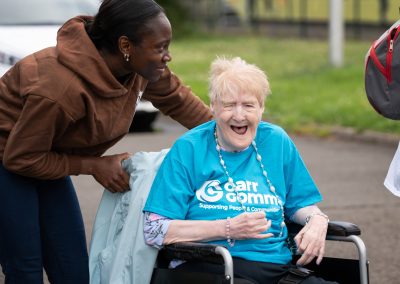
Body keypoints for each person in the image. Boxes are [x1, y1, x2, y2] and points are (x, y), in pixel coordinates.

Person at [0, 0, 212, 283]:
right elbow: (20, 158)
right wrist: (94, 165)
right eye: (159, 48)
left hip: (46, 155)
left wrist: (238, 136)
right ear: (126, 46)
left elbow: (178, 100)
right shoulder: (59, 88)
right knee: (25, 268)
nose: (167, 56)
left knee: (72, 267)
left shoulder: (139, 68)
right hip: (8, 160)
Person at [143, 57, 336, 284]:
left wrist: (317, 220)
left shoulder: (276, 141)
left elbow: (300, 203)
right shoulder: (190, 148)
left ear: (261, 108)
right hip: (209, 267)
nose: (239, 115)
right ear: (213, 107)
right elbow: (154, 230)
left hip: (278, 269)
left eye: (248, 105)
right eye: (229, 105)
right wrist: (227, 228)